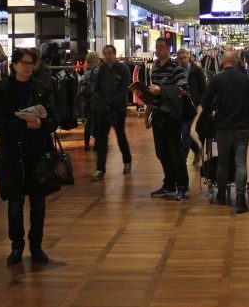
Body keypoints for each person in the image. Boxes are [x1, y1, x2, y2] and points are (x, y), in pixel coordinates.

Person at [0, 47, 59, 266]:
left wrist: (41, 123)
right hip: (13, 155)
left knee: (38, 204)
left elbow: (55, 119)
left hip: (38, 154)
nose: (28, 67)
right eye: (25, 63)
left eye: (31, 63)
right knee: (15, 205)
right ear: (14, 65)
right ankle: (16, 246)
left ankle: (36, 246)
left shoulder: (42, 89)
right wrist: (20, 123)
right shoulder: (2, 90)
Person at [200, 50, 249, 213]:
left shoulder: (217, 79)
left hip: (223, 128)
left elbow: (205, 102)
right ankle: (240, 198)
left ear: (222, 62)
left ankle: (221, 195)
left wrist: (213, 113)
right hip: (242, 128)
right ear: (235, 62)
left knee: (223, 162)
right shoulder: (245, 79)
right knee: (240, 163)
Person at [143, 37, 189, 201]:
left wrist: (161, 90)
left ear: (168, 49)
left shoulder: (175, 68)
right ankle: (169, 184)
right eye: (157, 47)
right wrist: (147, 113)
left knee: (175, 152)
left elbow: (184, 89)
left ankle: (182, 185)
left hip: (171, 116)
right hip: (157, 115)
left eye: (161, 47)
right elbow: (152, 94)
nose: (158, 49)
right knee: (161, 152)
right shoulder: (155, 69)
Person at [91, 44, 133, 180]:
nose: (108, 56)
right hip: (103, 110)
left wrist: (112, 102)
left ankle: (127, 161)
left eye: (110, 53)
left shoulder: (123, 69)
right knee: (102, 139)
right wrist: (100, 103)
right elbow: (96, 89)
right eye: (105, 53)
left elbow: (124, 89)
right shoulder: (101, 71)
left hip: (118, 109)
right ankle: (100, 169)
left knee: (121, 136)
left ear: (114, 54)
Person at [176, 48, 205, 167]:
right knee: (183, 130)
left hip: (192, 105)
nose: (183, 60)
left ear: (189, 57)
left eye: (184, 57)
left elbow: (203, 89)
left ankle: (183, 158)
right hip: (178, 105)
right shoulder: (176, 71)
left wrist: (197, 102)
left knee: (185, 130)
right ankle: (197, 150)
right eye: (180, 58)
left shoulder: (196, 70)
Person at [78, 51, 102, 151]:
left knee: (89, 121)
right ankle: (97, 144)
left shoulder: (86, 72)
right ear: (94, 60)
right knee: (98, 122)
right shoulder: (97, 71)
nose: (100, 60)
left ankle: (87, 144)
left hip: (87, 100)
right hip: (97, 100)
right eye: (98, 58)